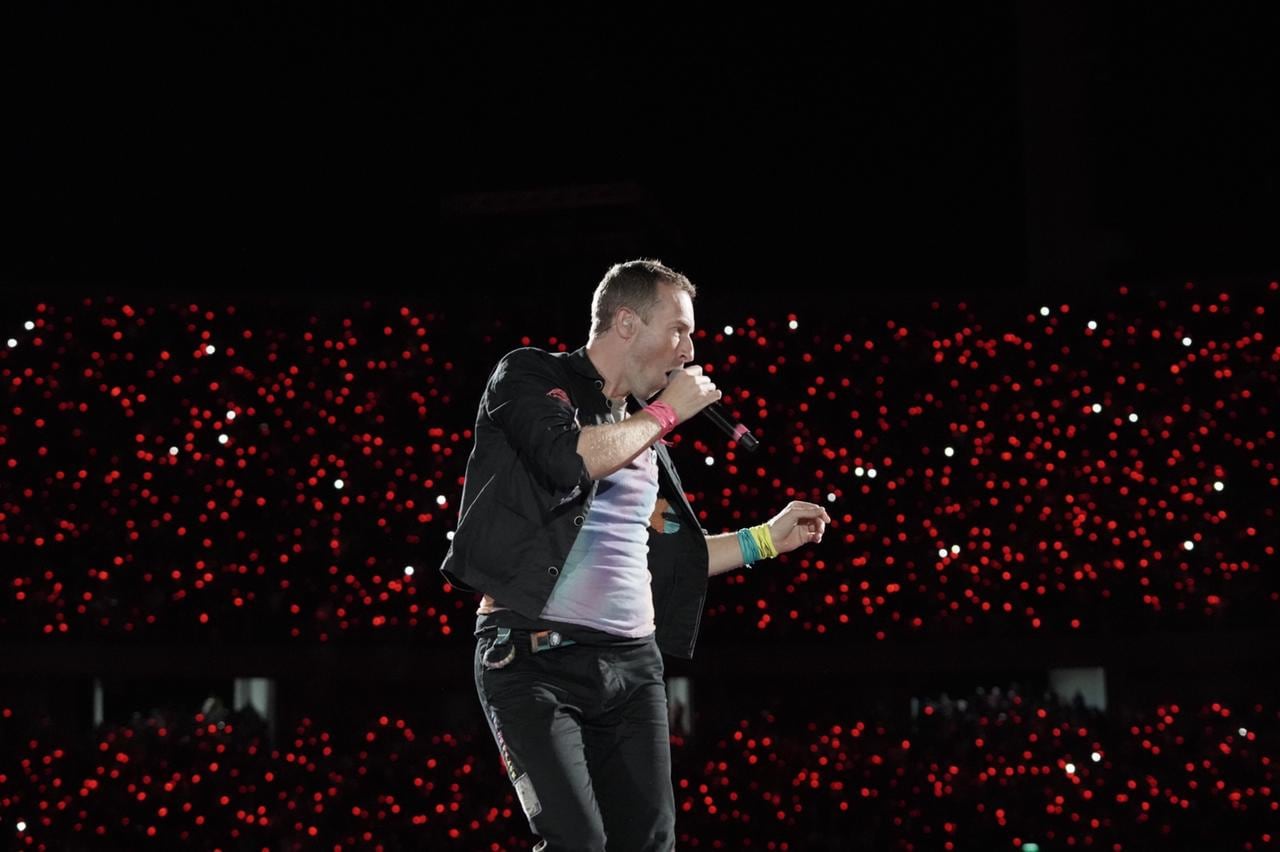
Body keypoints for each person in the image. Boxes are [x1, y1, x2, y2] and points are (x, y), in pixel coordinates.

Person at [439, 259, 831, 852]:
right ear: (625, 322)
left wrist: (768, 538)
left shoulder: (646, 438)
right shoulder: (527, 375)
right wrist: (667, 412)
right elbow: (566, 461)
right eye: (677, 330)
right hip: (533, 661)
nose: (689, 349)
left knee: (650, 844)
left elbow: (663, 563)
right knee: (577, 842)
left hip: (632, 668)